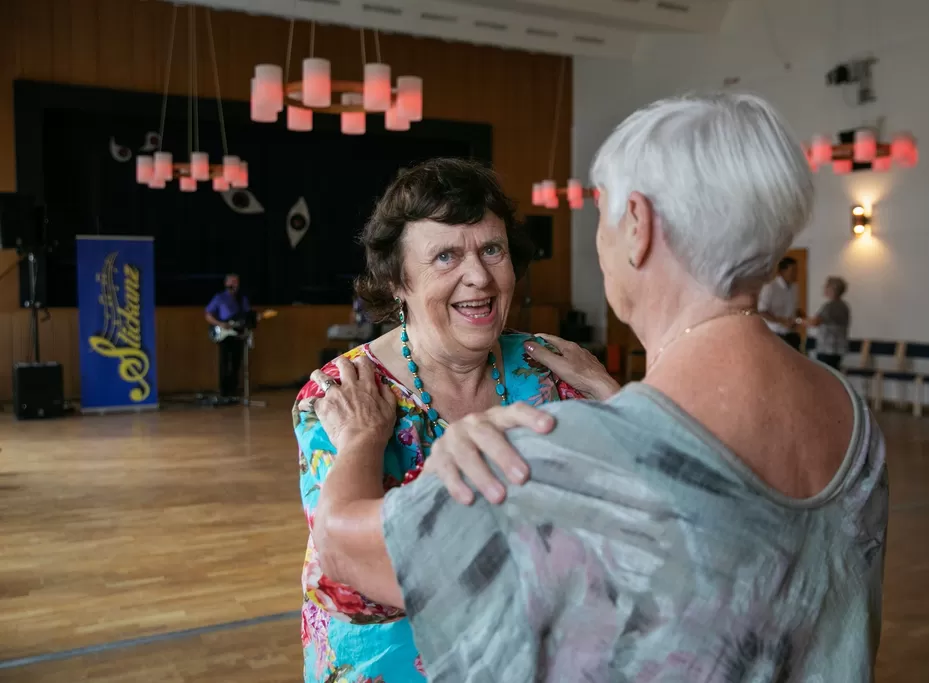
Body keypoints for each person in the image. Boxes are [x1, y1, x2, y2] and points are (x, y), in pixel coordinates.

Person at [306, 93, 889, 682]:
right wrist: (618, 399)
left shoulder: (574, 443)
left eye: (603, 214)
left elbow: (347, 549)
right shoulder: (848, 411)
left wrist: (362, 442)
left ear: (637, 226)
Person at [291, 158, 620, 683]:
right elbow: (356, 585)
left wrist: (611, 395)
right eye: (446, 256)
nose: (479, 277)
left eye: (493, 249)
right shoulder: (345, 396)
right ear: (397, 280)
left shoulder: (550, 370)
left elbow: (638, 515)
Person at [205, 273, 249, 397]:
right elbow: (208, 314)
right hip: (224, 333)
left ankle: (234, 389)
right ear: (226, 284)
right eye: (231, 282)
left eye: (236, 282)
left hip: (237, 333)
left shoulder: (242, 299)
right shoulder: (219, 298)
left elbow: (246, 315)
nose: (233, 285)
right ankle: (224, 391)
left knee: (236, 362)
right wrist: (220, 324)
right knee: (225, 362)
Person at [805, 276, 851, 370]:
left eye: (826, 286)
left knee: (825, 375)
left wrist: (798, 321)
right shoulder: (844, 306)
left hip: (827, 349)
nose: (824, 288)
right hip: (839, 348)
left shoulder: (830, 307)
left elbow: (815, 322)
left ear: (833, 289)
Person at [758, 256, 801, 349]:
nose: (795, 274)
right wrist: (781, 321)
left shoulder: (795, 287)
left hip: (791, 334)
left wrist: (802, 319)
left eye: (796, 270)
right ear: (782, 272)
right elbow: (762, 311)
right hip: (775, 333)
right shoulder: (770, 287)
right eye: (793, 270)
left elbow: (795, 309)